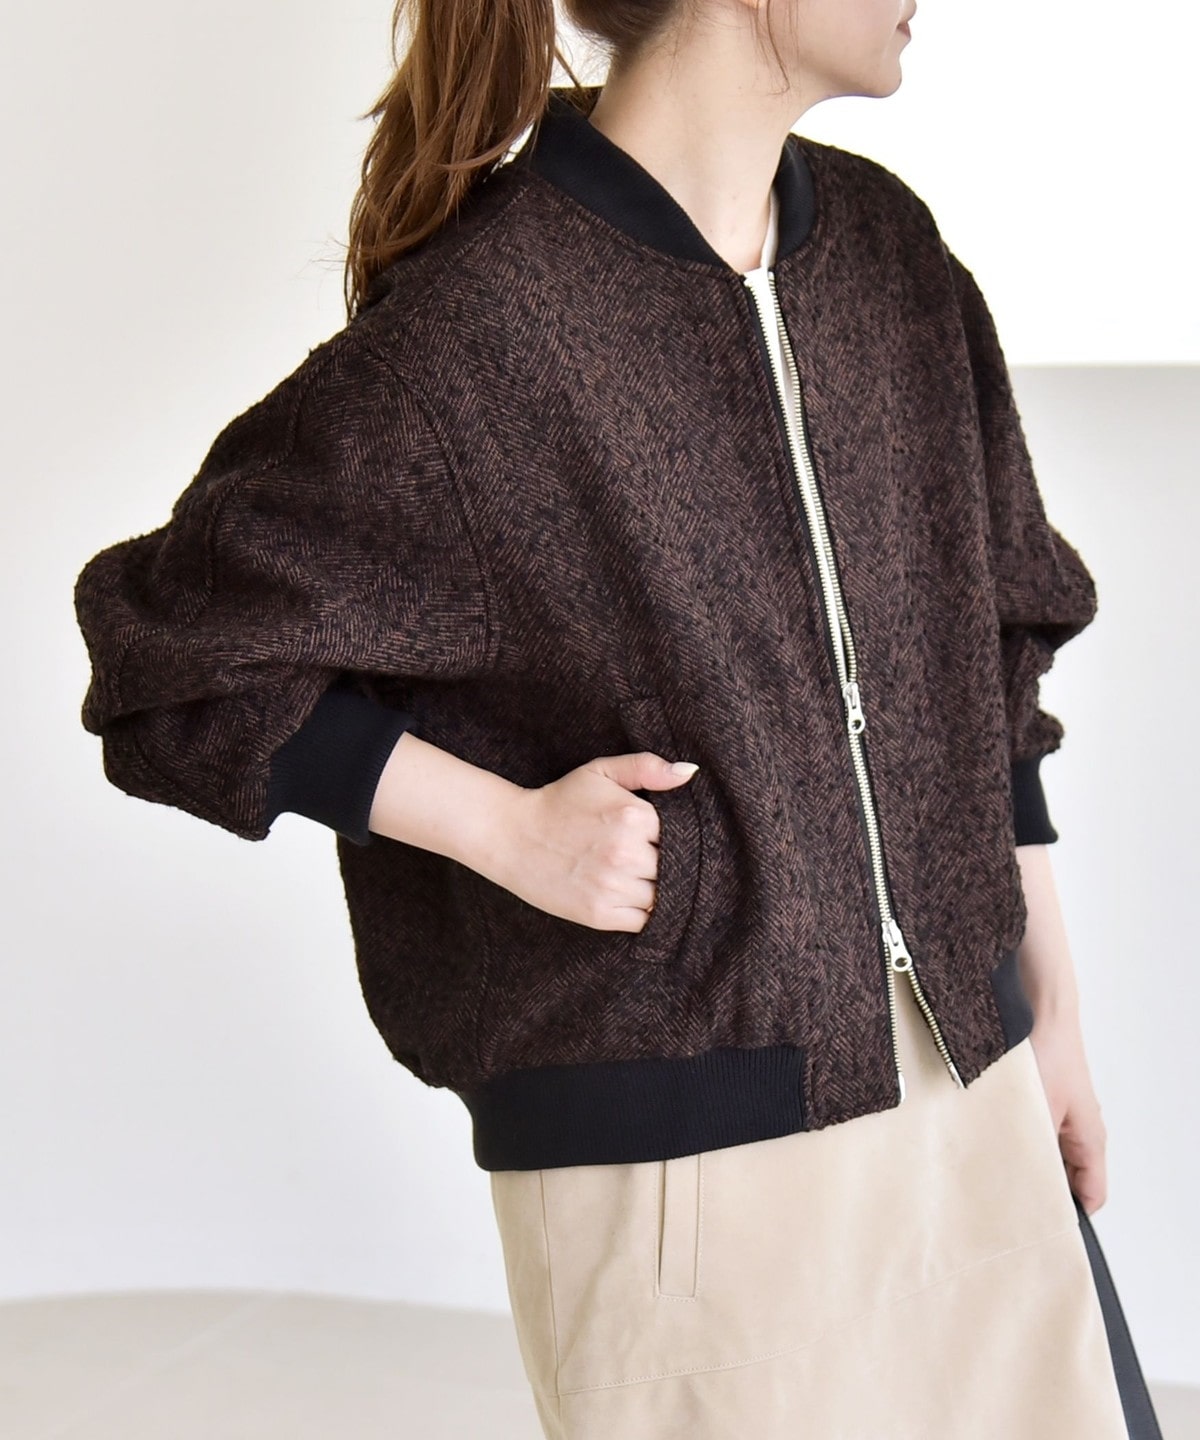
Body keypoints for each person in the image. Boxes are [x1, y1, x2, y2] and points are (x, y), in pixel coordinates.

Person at [73, 0, 1163, 1436]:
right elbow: (171, 658)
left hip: (973, 1089)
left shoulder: (890, 256)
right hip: (687, 1186)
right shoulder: (482, 333)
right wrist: (502, 829)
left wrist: (1053, 1013)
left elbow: (991, 650)